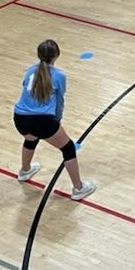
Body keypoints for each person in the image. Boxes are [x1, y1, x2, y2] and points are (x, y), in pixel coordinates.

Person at [12, 39, 97, 201]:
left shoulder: (30, 70)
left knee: (30, 140)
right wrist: (56, 120)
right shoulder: (59, 76)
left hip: (20, 118)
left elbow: (25, 90)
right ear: (57, 55)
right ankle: (79, 188)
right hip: (43, 121)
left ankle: (24, 171)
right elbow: (59, 101)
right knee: (68, 149)